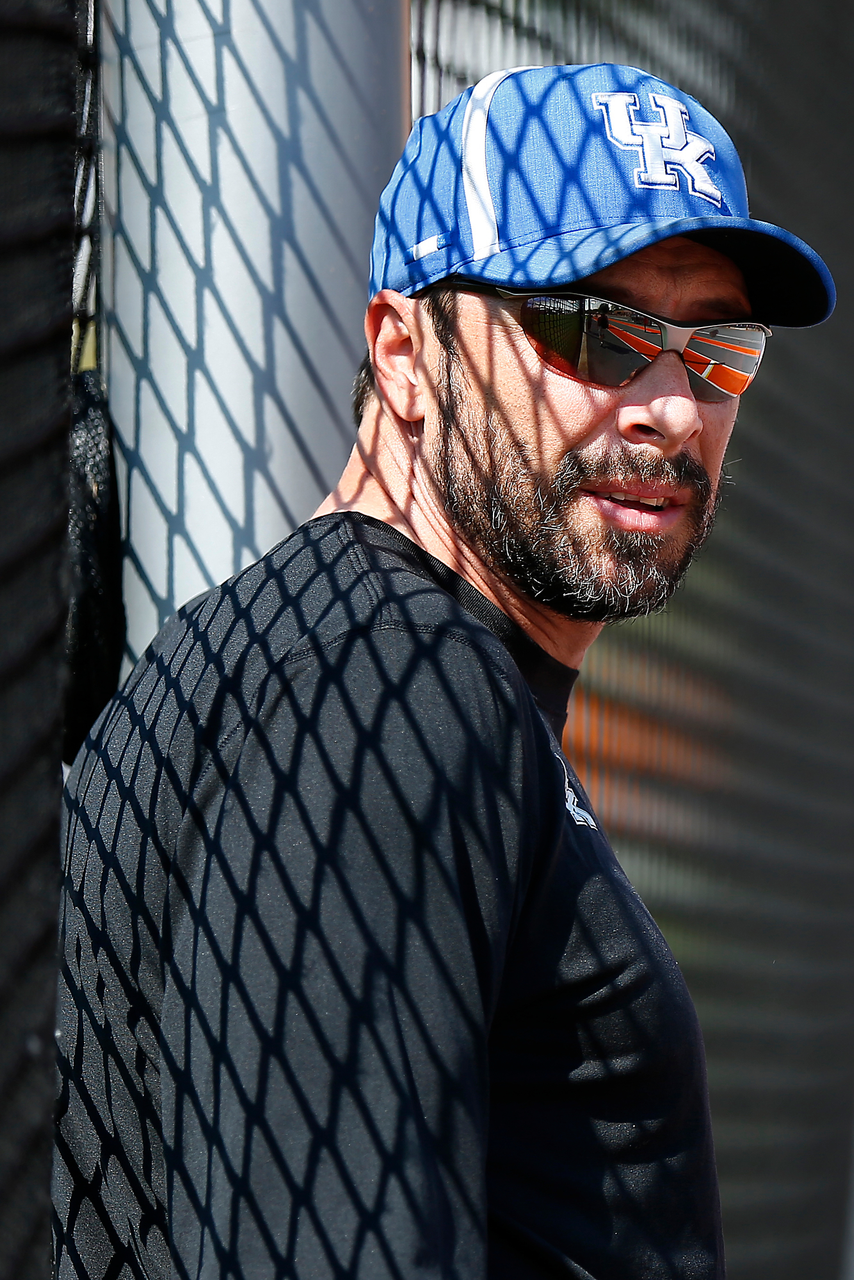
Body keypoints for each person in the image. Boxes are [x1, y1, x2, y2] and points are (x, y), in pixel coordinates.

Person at [53, 63, 834, 1280]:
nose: (674, 410)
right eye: (594, 328)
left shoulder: (383, 667)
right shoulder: (376, 690)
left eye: (715, 349)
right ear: (405, 353)